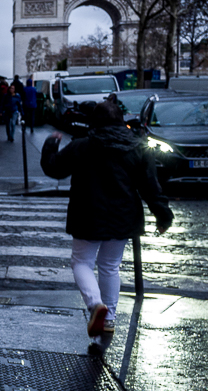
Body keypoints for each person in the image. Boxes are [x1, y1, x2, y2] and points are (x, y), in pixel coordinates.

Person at [41, 101, 174, 355]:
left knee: (81, 262)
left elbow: (54, 168)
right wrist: (163, 215)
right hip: (123, 217)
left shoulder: (83, 146)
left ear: (95, 122)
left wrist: (50, 144)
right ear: (121, 121)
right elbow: (150, 186)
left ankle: (95, 305)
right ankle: (108, 320)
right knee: (110, 266)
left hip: (87, 214)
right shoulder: (137, 146)